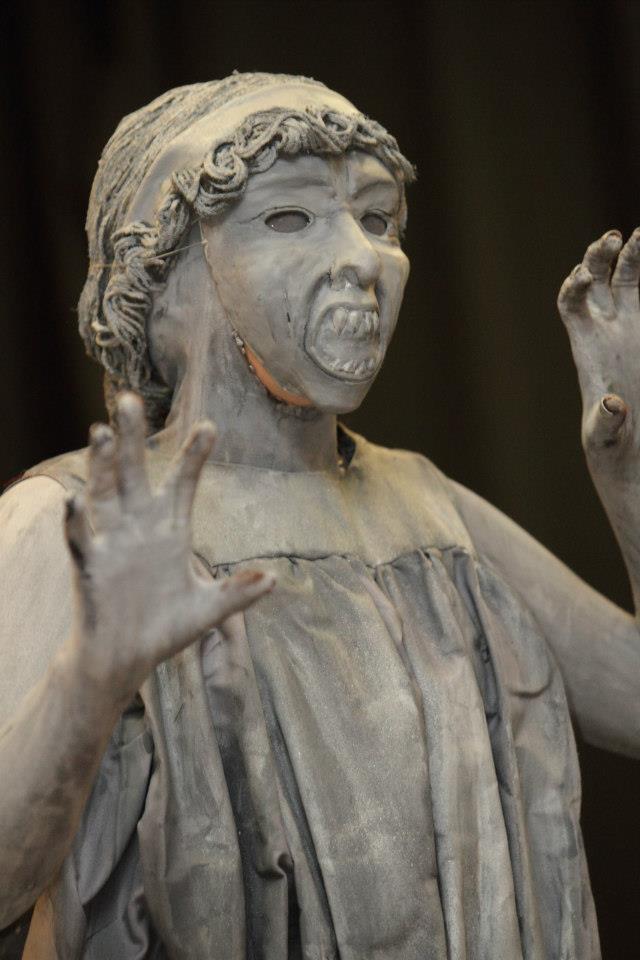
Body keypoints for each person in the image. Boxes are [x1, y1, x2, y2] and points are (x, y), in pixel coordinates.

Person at [0, 71, 637, 959]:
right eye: (289, 217)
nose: (363, 258)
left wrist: (628, 475)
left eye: (378, 219)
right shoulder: (71, 522)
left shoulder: (427, 510)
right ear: (167, 277)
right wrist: (94, 677)